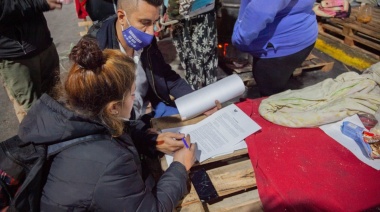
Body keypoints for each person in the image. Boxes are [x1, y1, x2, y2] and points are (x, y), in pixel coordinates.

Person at [17, 37, 196, 211]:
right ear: (113, 108)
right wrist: (179, 167)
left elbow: (119, 130)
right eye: (133, 95)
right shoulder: (112, 162)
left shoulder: (73, 114)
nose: (136, 100)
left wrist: (151, 140)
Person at [87, 0, 220, 154]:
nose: (151, 33)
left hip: (153, 111)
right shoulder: (96, 52)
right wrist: (148, 139)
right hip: (122, 128)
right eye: (145, 22)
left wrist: (198, 101)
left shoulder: (143, 39)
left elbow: (167, 76)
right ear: (122, 17)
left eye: (155, 22)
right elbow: (104, 119)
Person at [232, 0, 318, 97]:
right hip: (303, 34)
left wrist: (239, 39)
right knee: (282, 81)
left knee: (270, 97)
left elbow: (260, 11)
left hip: (277, 47)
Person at [0, 0, 63, 122]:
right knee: (34, 114)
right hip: (17, 58)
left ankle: (62, 139)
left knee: (57, 102)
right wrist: (39, 2)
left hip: (44, 44)